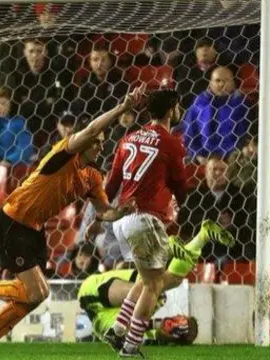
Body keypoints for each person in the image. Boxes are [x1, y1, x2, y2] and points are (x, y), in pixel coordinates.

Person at [0, 84, 148, 360]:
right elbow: (93, 128)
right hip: (13, 220)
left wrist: (119, 212)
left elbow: (103, 212)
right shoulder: (64, 153)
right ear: (82, 139)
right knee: (34, 292)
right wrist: (122, 107)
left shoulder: (92, 177)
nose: (100, 145)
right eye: (96, 141)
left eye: (102, 142)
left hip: (34, 230)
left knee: (35, 296)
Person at [100, 89, 194, 356]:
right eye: (179, 107)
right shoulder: (171, 142)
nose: (180, 111)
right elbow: (180, 186)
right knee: (155, 284)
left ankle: (117, 330)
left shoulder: (128, 138)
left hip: (124, 220)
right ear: (172, 109)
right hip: (146, 220)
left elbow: (111, 185)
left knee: (145, 279)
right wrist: (178, 200)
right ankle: (130, 346)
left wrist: (104, 213)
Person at [78, 220, 232, 345]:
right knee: (155, 288)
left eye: (175, 330)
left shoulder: (147, 330)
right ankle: (171, 249)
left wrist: (168, 333)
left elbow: (149, 329)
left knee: (168, 283)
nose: (172, 326)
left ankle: (201, 237)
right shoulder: (153, 308)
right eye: (176, 325)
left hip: (93, 300)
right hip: (98, 291)